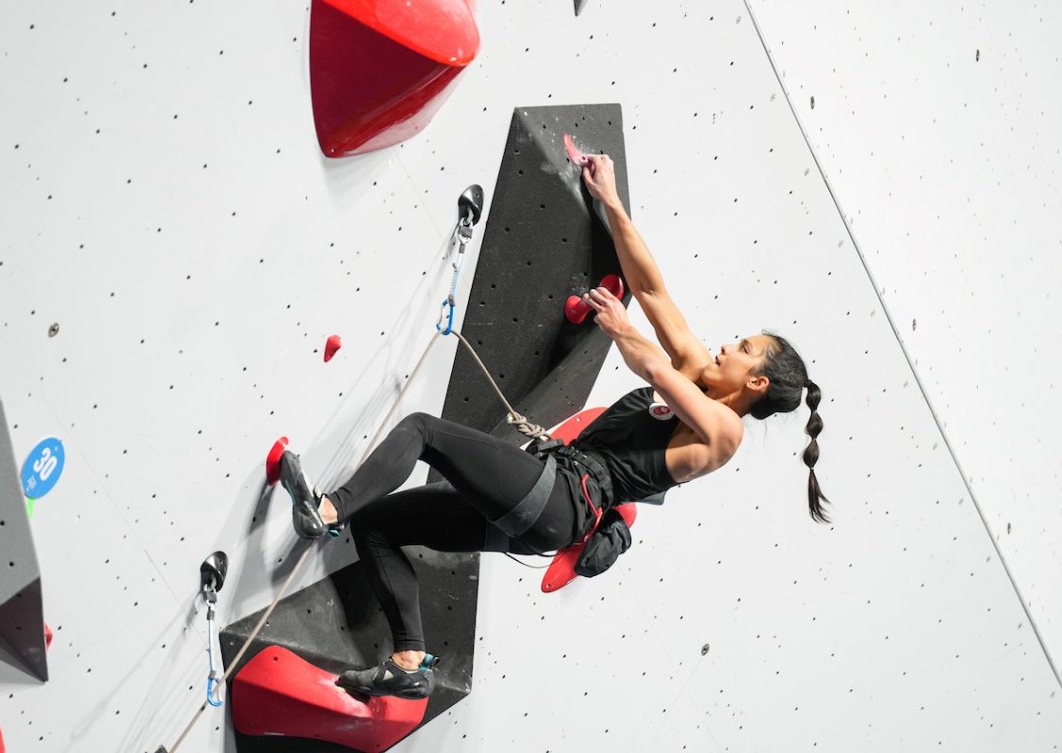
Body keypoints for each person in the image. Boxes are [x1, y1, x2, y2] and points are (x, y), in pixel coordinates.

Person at [278, 153, 829, 699]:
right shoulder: (699, 374)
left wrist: (621, 328)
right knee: (378, 526)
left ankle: (325, 511)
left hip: (563, 497)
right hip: (543, 503)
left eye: (746, 348)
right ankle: (408, 659)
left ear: (755, 383)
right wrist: (609, 199)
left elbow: (657, 371)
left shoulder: (723, 434)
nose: (729, 343)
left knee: (424, 430)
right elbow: (653, 289)